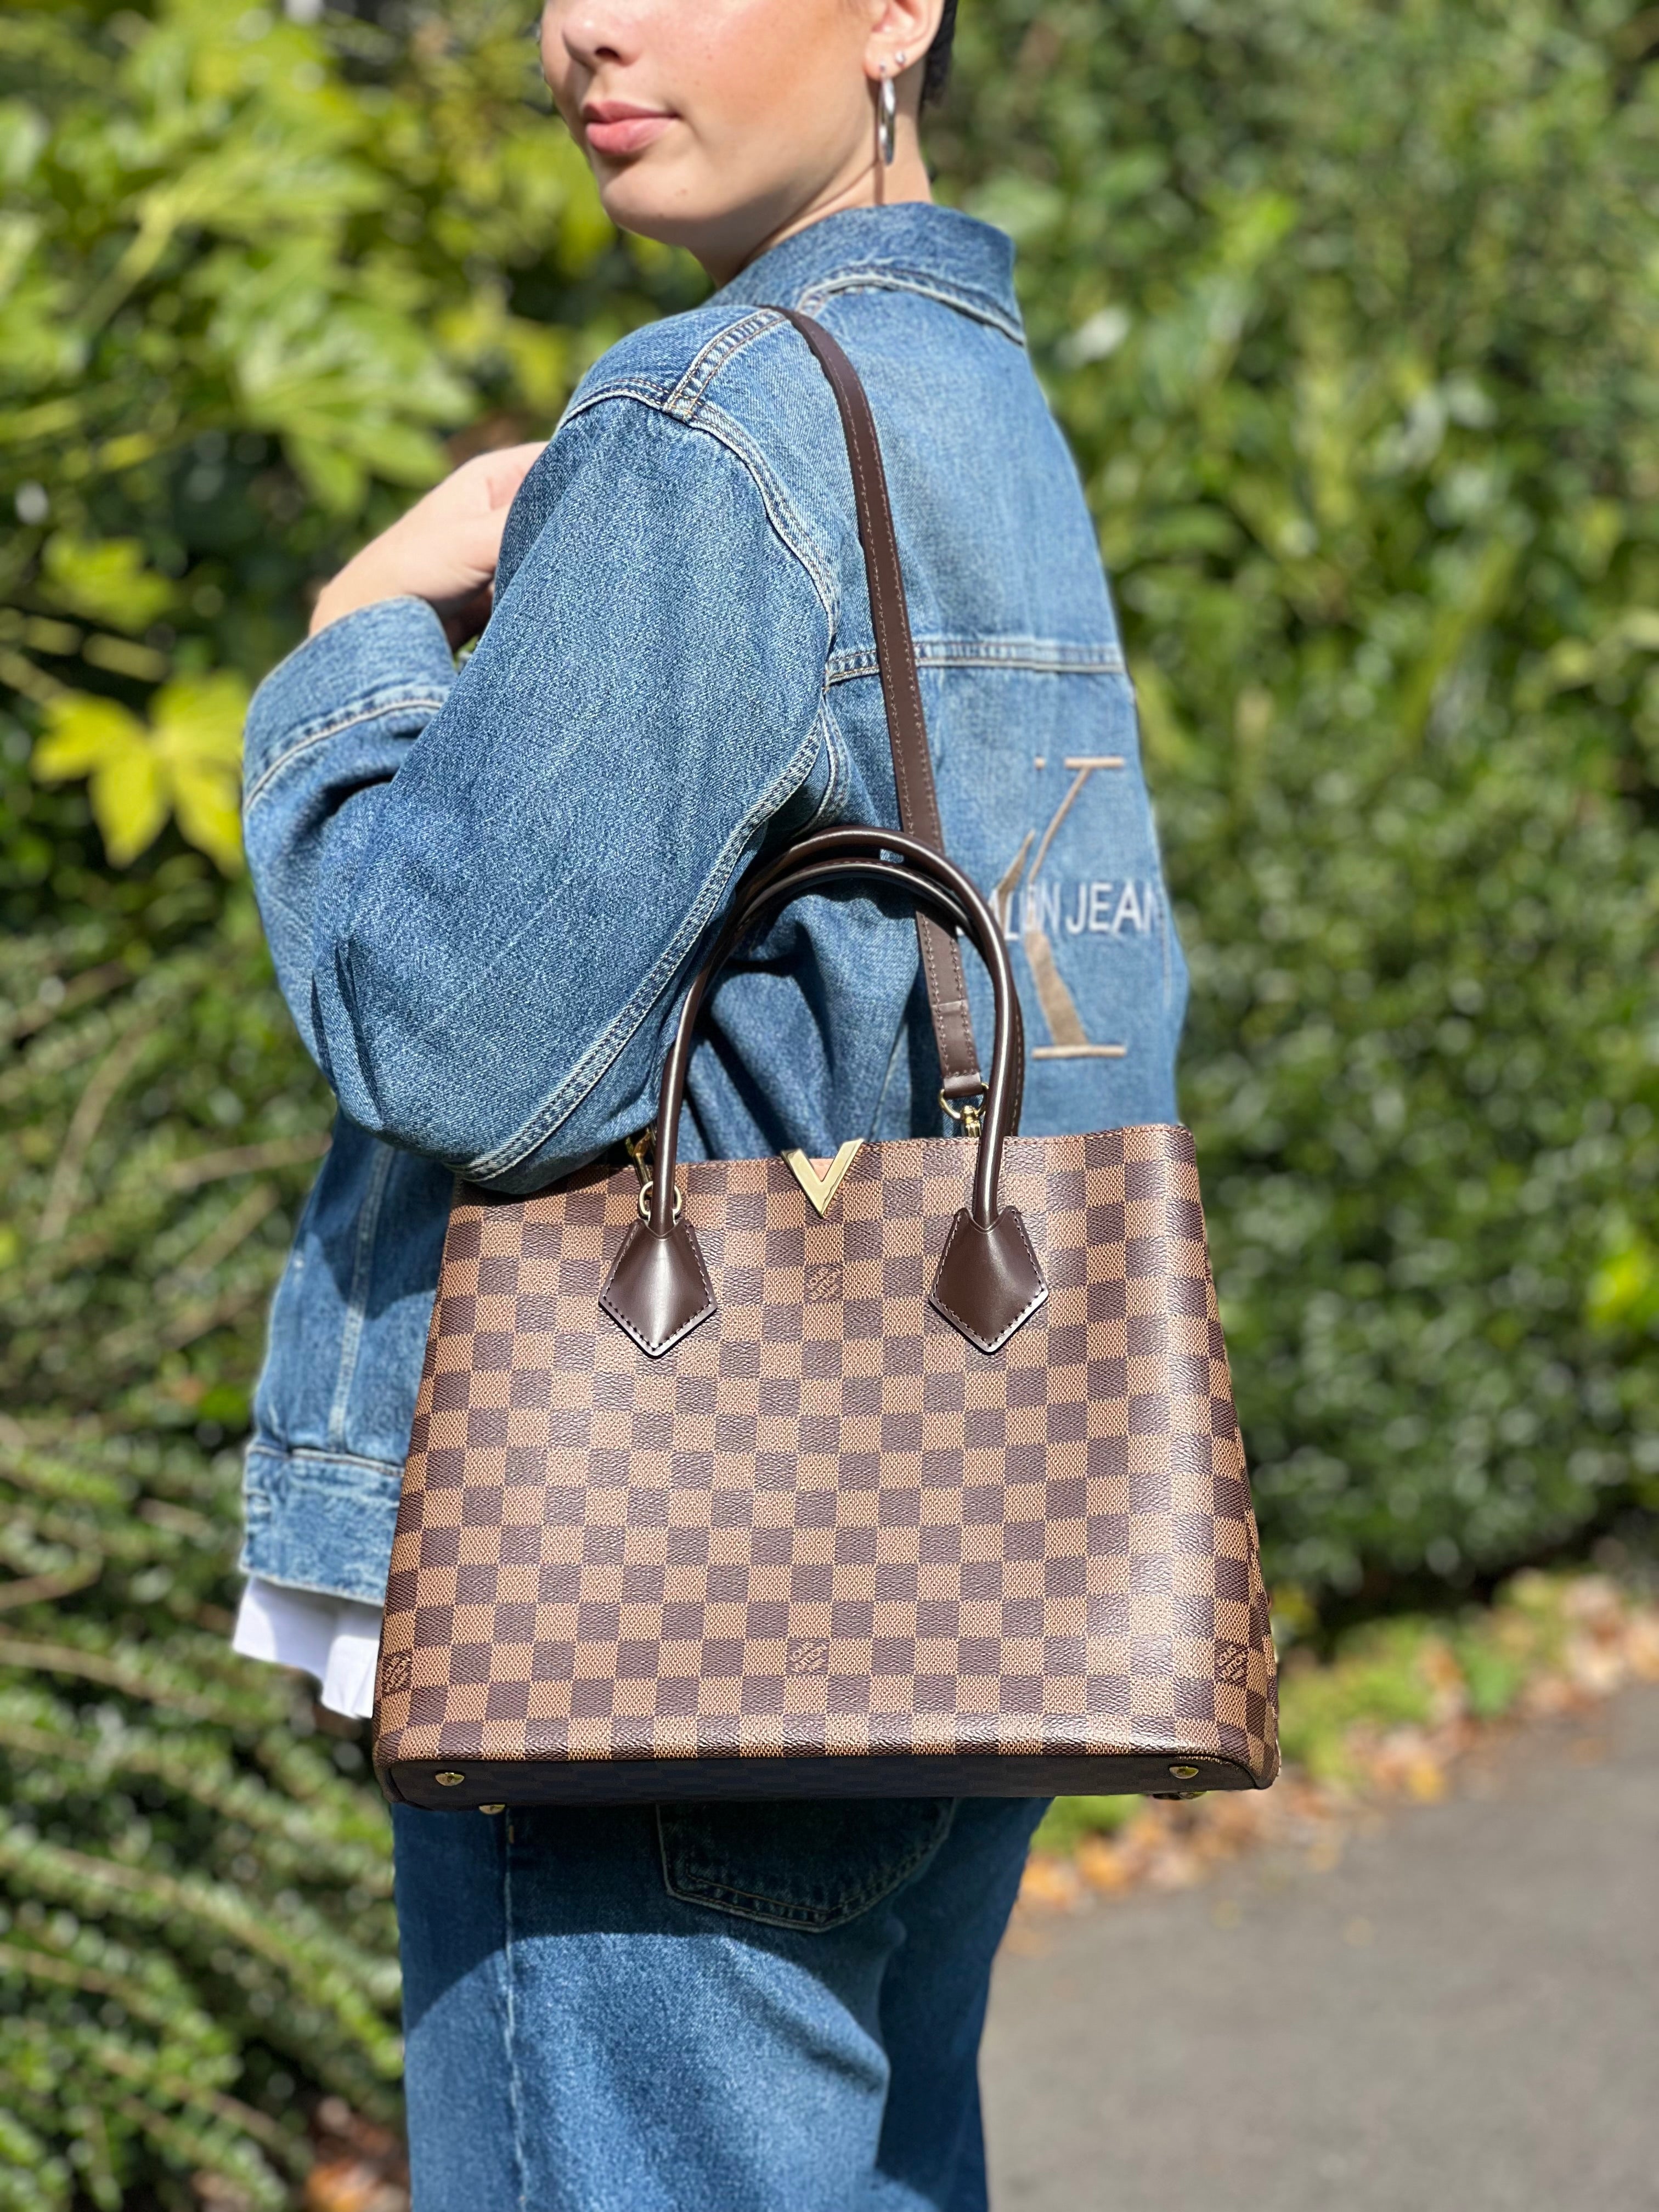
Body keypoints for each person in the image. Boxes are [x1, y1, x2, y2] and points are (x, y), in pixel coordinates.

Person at [233, 2, 1189, 2204]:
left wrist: (357, 638)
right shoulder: (970, 398)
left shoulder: (715, 417)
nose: (584, 23)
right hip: (981, 1537)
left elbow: (446, 1035)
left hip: (672, 1597)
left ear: (901, 8)